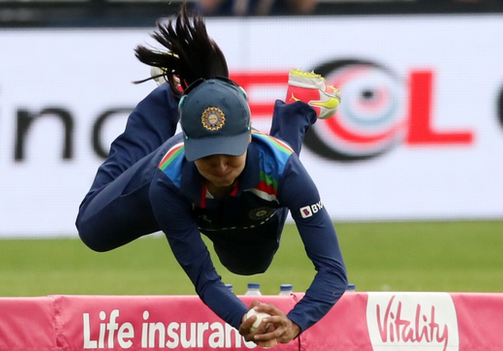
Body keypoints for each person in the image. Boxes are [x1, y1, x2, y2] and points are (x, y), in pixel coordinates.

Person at [75, 6, 347, 347]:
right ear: (190, 146)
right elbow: (205, 279)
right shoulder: (167, 181)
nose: (219, 168)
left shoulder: (284, 170)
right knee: (91, 230)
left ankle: (298, 110)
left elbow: (334, 272)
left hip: (257, 182)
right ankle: (174, 92)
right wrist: (244, 319)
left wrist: (294, 323)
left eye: (229, 154)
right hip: (174, 187)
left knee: (250, 265)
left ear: (248, 135)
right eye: (206, 157)